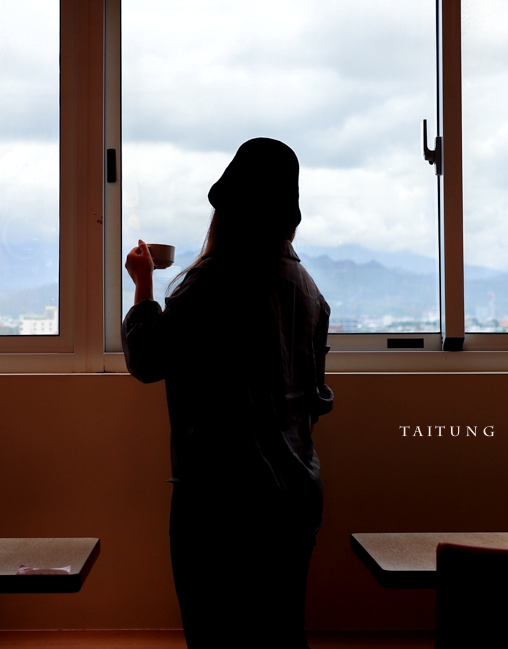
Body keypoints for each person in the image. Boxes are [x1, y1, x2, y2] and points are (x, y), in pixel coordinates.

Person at [122, 138, 334, 649]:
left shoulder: (210, 284)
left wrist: (143, 285)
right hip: (296, 497)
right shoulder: (309, 291)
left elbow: (148, 361)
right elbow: (316, 400)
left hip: (219, 501)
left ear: (227, 212)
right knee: (282, 635)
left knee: (215, 637)